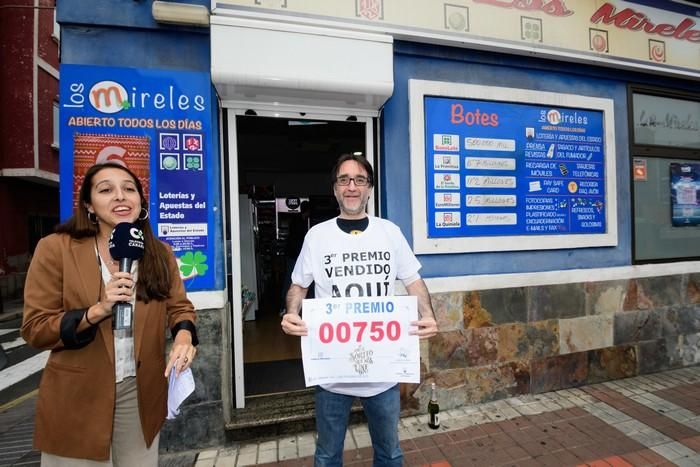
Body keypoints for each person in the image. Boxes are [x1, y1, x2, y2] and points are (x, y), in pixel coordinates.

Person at [21, 162, 198, 466]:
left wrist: (184, 336)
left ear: (141, 203)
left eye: (129, 189)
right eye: (106, 190)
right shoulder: (55, 249)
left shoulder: (159, 252)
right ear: (89, 205)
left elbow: (179, 307)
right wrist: (97, 310)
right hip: (77, 393)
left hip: (140, 391)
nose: (120, 196)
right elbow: (35, 328)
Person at [281, 154, 438, 466]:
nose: (351, 186)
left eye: (359, 180)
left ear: (369, 189)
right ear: (335, 189)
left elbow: (413, 281)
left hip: (382, 372)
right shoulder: (317, 236)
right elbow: (298, 286)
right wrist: (292, 312)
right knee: (326, 456)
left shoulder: (389, 232)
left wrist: (429, 315)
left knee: (390, 454)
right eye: (344, 180)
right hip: (332, 374)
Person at [279, 200, 311, 316]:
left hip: (292, 254)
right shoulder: (300, 223)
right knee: (290, 280)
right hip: (294, 255)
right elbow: (299, 242)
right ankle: (283, 307)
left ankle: (285, 307)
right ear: (307, 211)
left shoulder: (297, 221)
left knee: (291, 280)